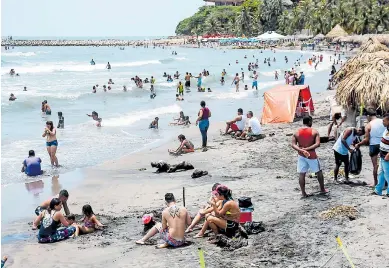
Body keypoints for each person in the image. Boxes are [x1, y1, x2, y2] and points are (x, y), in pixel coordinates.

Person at [291, 116, 326, 198]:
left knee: (302, 174)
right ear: (310, 121)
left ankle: (303, 193)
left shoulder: (296, 132)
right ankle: (322, 189)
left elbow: (293, 144)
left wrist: (301, 150)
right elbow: (317, 144)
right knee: (318, 172)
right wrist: (307, 149)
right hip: (312, 156)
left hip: (301, 155)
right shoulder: (314, 132)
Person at [355, 109, 386, 186]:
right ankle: (385, 182)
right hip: (384, 144)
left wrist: (358, 144)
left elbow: (366, 140)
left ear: (368, 116)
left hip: (374, 145)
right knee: (385, 164)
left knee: (375, 166)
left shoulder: (368, 125)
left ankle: (376, 183)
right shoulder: (384, 121)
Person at [373, 113, 389, 196]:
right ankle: (378, 190)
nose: (383, 122)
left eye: (384, 121)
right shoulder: (387, 129)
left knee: (387, 174)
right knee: (381, 173)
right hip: (383, 154)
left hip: (387, 156)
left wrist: (388, 155)